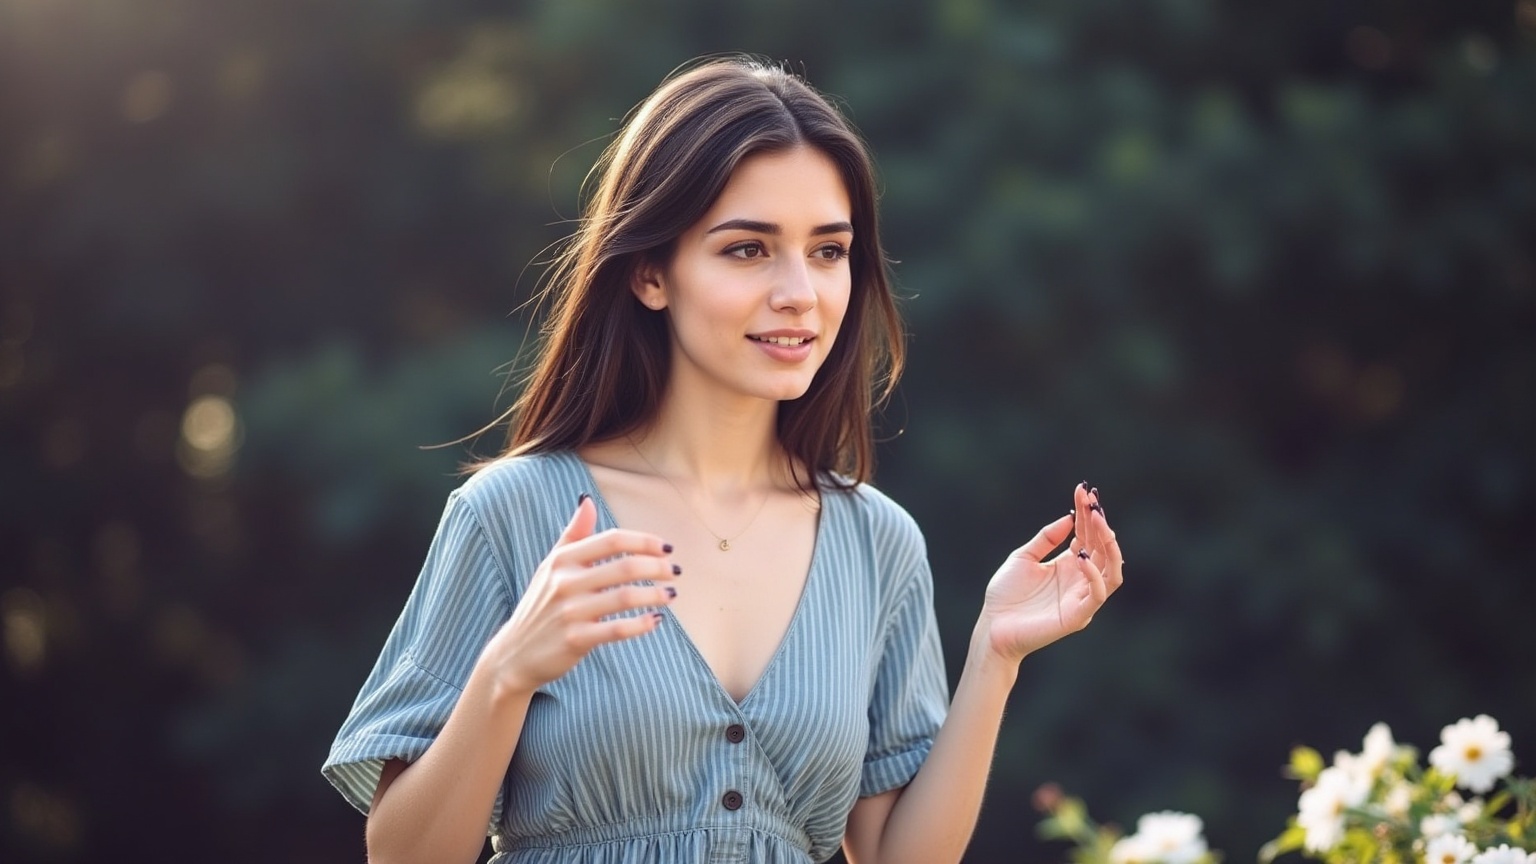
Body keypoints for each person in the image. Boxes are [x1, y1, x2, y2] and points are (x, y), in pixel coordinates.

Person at [322, 56, 1123, 864]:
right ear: (649, 272)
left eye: (828, 251)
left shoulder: (878, 544)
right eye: (747, 250)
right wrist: (506, 674)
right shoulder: (512, 514)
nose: (799, 294)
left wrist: (993, 654)